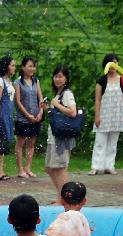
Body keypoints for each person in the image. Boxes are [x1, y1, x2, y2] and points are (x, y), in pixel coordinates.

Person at [90, 54, 123, 175]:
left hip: (117, 115)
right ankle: (96, 166)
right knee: (100, 141)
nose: (114, 65)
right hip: (104, 115)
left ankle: (109, 165)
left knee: (113, 143)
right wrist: (97, 116)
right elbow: (97, 99)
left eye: (116, 63)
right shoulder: (101, 80)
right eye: (111, 63)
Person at [44, 65, 78, 197]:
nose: (57, 79)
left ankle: (65, 198)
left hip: (61, 138)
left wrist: (56, 104)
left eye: (60, 76)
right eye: (55, 76)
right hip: (54, 136)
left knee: (60, 168)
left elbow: (72, 112)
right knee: (50, 168)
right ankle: (61, 196)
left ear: (66, 78)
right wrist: (48, 108)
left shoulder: (67, 94)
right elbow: (57, 115)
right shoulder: (58, 94)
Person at [13, 57, 43, 178]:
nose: (32, 68)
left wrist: (40, 112)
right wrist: (27, 115)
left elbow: (40, 98)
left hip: (36, 117)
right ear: (23, 67)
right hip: (23, 118)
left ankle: (28, 168)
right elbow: (18, 101)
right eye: (29, 66)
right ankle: (20, 170)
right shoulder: (17, 82)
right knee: (20, 143)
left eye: (33, 66)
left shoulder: (36, 81)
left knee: (31, 143)